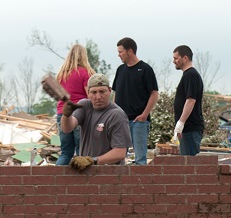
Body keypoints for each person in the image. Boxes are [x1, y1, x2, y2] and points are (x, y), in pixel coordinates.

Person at [61, 73, 132, 170]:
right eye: (94, 92)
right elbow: (67, 128)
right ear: (88, 93)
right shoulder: (85, 106)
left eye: (102, 91)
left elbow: (120, 153)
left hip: (109, 174)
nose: (98, 97)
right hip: (86, 172)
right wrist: (66, 116)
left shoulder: (117, 115)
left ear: (110, 91)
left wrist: (92, 160)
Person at [112, 37, 158, 165]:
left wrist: (144, 115)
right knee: (118, 157)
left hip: (138, 121)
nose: (119, 55)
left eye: (121, 52)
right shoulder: (120, 70)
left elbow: (154, 94)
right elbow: (115, 93)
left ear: (130, 51)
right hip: (121, 121)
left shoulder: (145, 69)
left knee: (140, 159)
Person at [55, 44, 96, 165]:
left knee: (65, 152)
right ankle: (82, 182)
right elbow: (90, 95)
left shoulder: (61, 74)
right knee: (82, 151)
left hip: (62, 113)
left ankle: (56, 179)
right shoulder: (86, 73)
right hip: (79, 114)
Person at [172, 45, 204, 156]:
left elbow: (190, 100)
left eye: (176, 58)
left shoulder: (190, 75)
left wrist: (181, 123)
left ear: (185, 58)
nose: (174, 61)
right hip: (188, 129)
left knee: (190, 165)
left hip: (191, 128)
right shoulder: (188, 75)